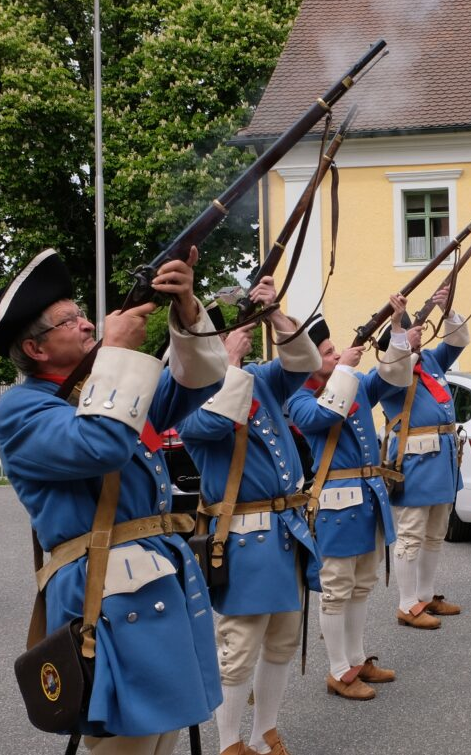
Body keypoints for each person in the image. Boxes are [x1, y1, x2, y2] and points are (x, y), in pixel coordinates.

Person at [0, 248, 227, 753]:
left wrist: (186, 310)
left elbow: (197, 385)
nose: (89, 323)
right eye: (71, 320)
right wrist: (117, 354)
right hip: (104, 598)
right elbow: (102, 444)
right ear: (36, 348)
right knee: (125, 745)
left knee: (161, 738)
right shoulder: (22, 409)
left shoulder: (104, 385)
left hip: (155, 581)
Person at [176, 278, 325, 755]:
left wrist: (276, 314)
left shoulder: (260, 378)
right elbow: (219, 422)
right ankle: (229, 743)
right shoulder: (191, 402)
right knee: (237, 651)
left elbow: (306, 362)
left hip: (285, 533)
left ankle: (264, 732)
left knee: (282, 641)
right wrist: (232, 364)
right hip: (242, 537)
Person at [285, 303, 414, 700]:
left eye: (334, 349)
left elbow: (391, 378)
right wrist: (344, 370)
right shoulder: (299, 398)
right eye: (327, 352)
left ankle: (356, 660)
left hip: (366, 501)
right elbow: (323, 416)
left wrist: (396, 332)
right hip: (335, 506)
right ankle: (339, 670)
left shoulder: (350, 382)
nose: (337, 355)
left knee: (361, 586)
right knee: (337, 589)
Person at [379, 287, 469, 630]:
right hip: (414, 464)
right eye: (407, 333)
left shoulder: (430, 360)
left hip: (443, 459)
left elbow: (458, 341)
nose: (418, 335)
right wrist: (399, 329)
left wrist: (446, 309)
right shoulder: (391, 368)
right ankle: (406, 603)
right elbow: (394, 368)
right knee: (411, 535)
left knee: (435, 533)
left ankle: (427, 595)